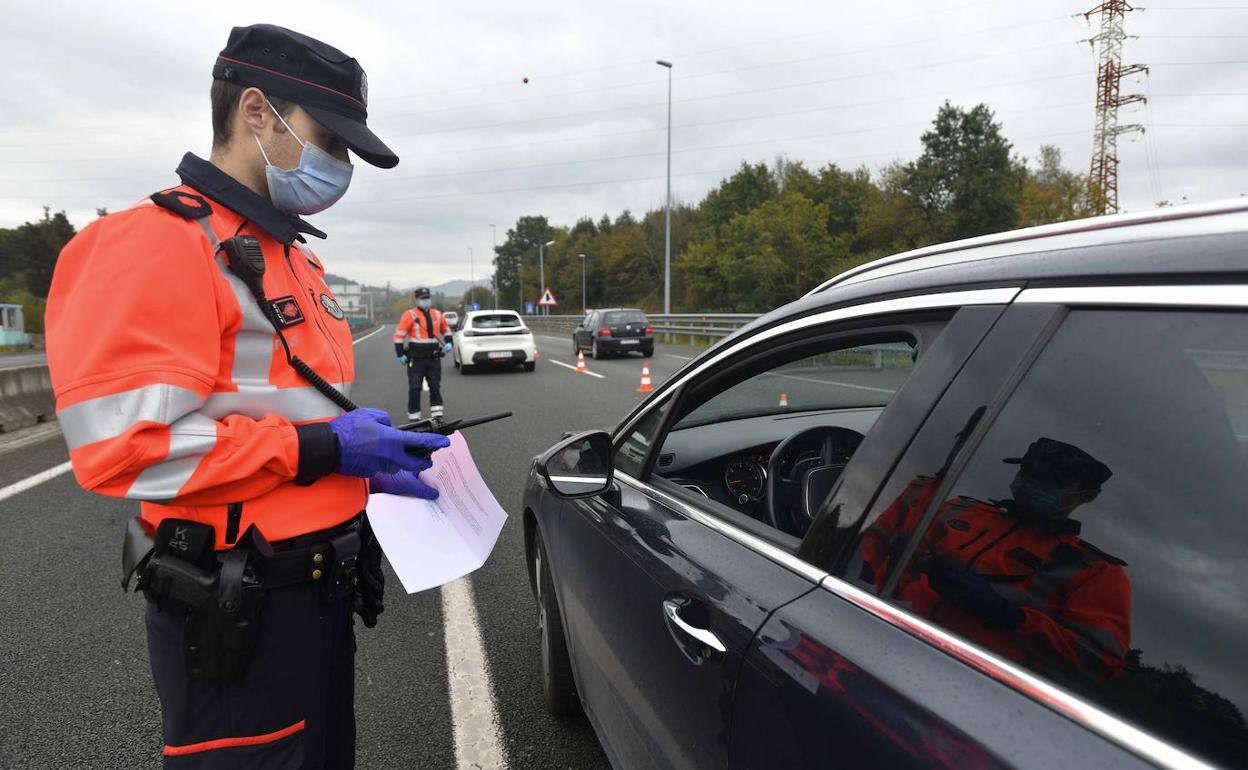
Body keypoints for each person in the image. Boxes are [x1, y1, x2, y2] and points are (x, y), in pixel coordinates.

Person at [44, 24, 448, 768]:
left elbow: (278, 406)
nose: (339, 164)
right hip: (239, 605)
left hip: (318, 595)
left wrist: (354, 464)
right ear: (256, 112)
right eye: (329, 139)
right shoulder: (155, 243)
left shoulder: (288, 254)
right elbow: (121, 451)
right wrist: (324, 447)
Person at [859, 438, 1131, 683]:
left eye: (1049, 479)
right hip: (881, 641)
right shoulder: (955, 509)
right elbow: (872, 545)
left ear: (1087, 495)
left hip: (973, 684)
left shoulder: (1094, 572)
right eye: (1027, 471)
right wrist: (873, 575)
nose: (1032, 482)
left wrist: (1010, 617)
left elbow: (1100, 663)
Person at [393, 287, 452, 420]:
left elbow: (446, 330)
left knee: (435, 386)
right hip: (416, 358)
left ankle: (438, 416)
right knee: (415, 388)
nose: (426, 301)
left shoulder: (437, 314)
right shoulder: (410, 315)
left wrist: (449, 342)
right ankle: (414, 417)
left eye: (427, 298)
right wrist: (400, 354)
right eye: (423, 299)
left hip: (433, 357)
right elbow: (399, 336)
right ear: (417, 300)